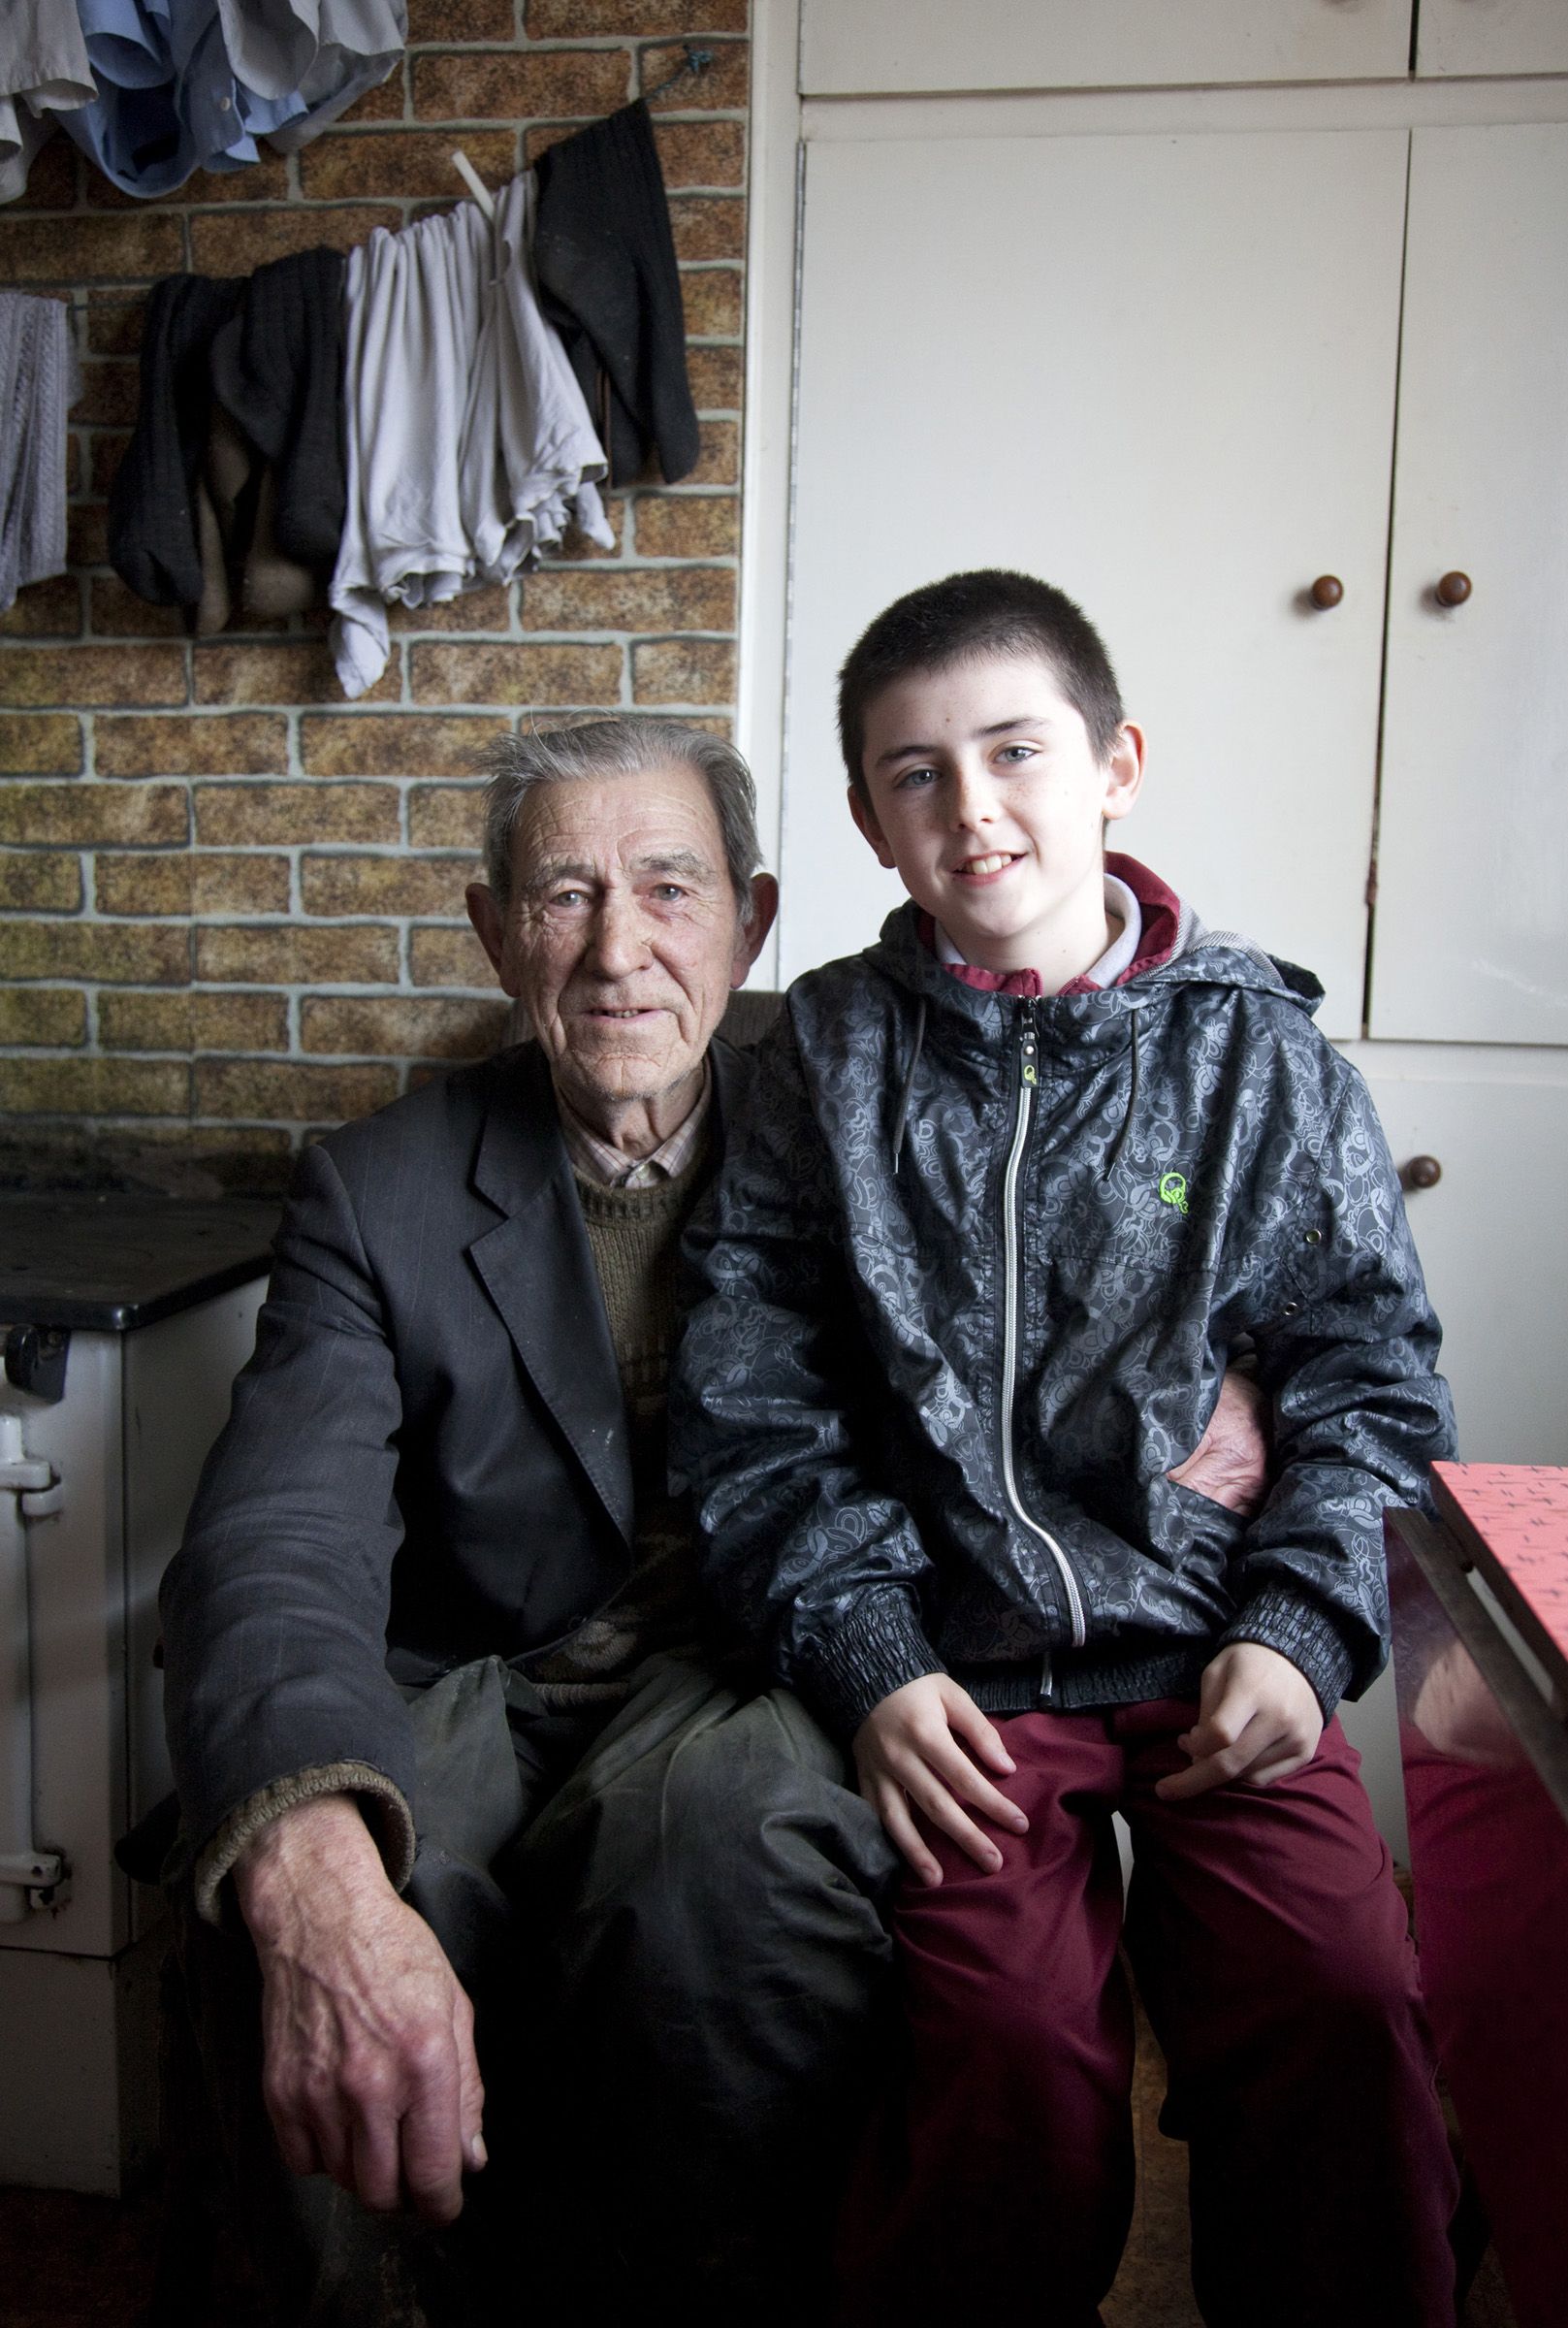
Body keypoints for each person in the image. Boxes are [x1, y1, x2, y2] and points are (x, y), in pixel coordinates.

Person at [160, 710, 1267, 2327]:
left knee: (729, 1863)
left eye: (670, 890)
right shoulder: (375, 1185)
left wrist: (1206, 1392)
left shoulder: (866, 1126)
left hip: (761, 1655)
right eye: (562, 897)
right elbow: (277, 1531)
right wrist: (314, 1873)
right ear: (493, 933)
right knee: (325, 1892)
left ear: (751, 920)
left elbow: (1086, 1276)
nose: (618, 951)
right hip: (480, 1665)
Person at [671, 572, 1461, 2328]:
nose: (971, 807)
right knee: (1004, 2052)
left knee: (1338, 1989)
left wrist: (1299, 1630)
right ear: (869, 822)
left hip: (1215, 1648)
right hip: (957, 1671)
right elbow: (753, 1394)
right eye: (915, 774)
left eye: (1014, 751)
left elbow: (1369, 1386)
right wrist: (866, 1654)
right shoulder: (821, 1059)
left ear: (1114, 765)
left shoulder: (1260, 1057)